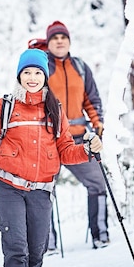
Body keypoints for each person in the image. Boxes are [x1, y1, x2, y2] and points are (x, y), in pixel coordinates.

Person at [0, 48, 103, 267]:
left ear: (45, 77)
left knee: (37, 252)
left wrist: (87, 150)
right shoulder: (4, 107)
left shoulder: (55, 110)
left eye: (37, 73)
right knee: (16, 249)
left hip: (41, 191)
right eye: (26, 72)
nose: (32, 78)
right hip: (9, 189)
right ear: (19, 76)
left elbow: (66, 151)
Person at [44, 20, 109, 250]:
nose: (59, 41)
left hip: (78, 140)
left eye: (63, 37)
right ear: (48, 43)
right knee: (43, 191)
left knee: (98, 183)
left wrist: (98, 123)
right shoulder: (42, 67)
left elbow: (92, 100)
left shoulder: (81, 67)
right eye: (54, 38)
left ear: (69, 41)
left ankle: (100, 235)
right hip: (49, 141)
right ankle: (47, 243)